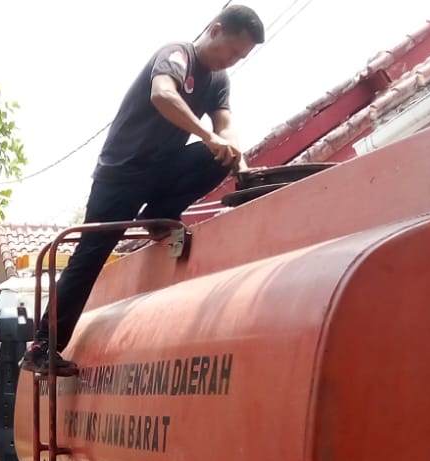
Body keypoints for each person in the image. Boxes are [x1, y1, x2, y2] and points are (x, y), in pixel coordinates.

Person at [20, 5, 266, 376]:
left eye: (241, 57)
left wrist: (236, 158)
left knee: (216, 157)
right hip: (121, 174)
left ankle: (158, 217)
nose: (231, 60)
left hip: (160, 171)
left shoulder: (218, 81)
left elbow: (226, 127)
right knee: (91, 255)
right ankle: (42, 347)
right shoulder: (176, 54)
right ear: (215, 30)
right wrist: (207, 135)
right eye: (232, 51)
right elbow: (162, 95)